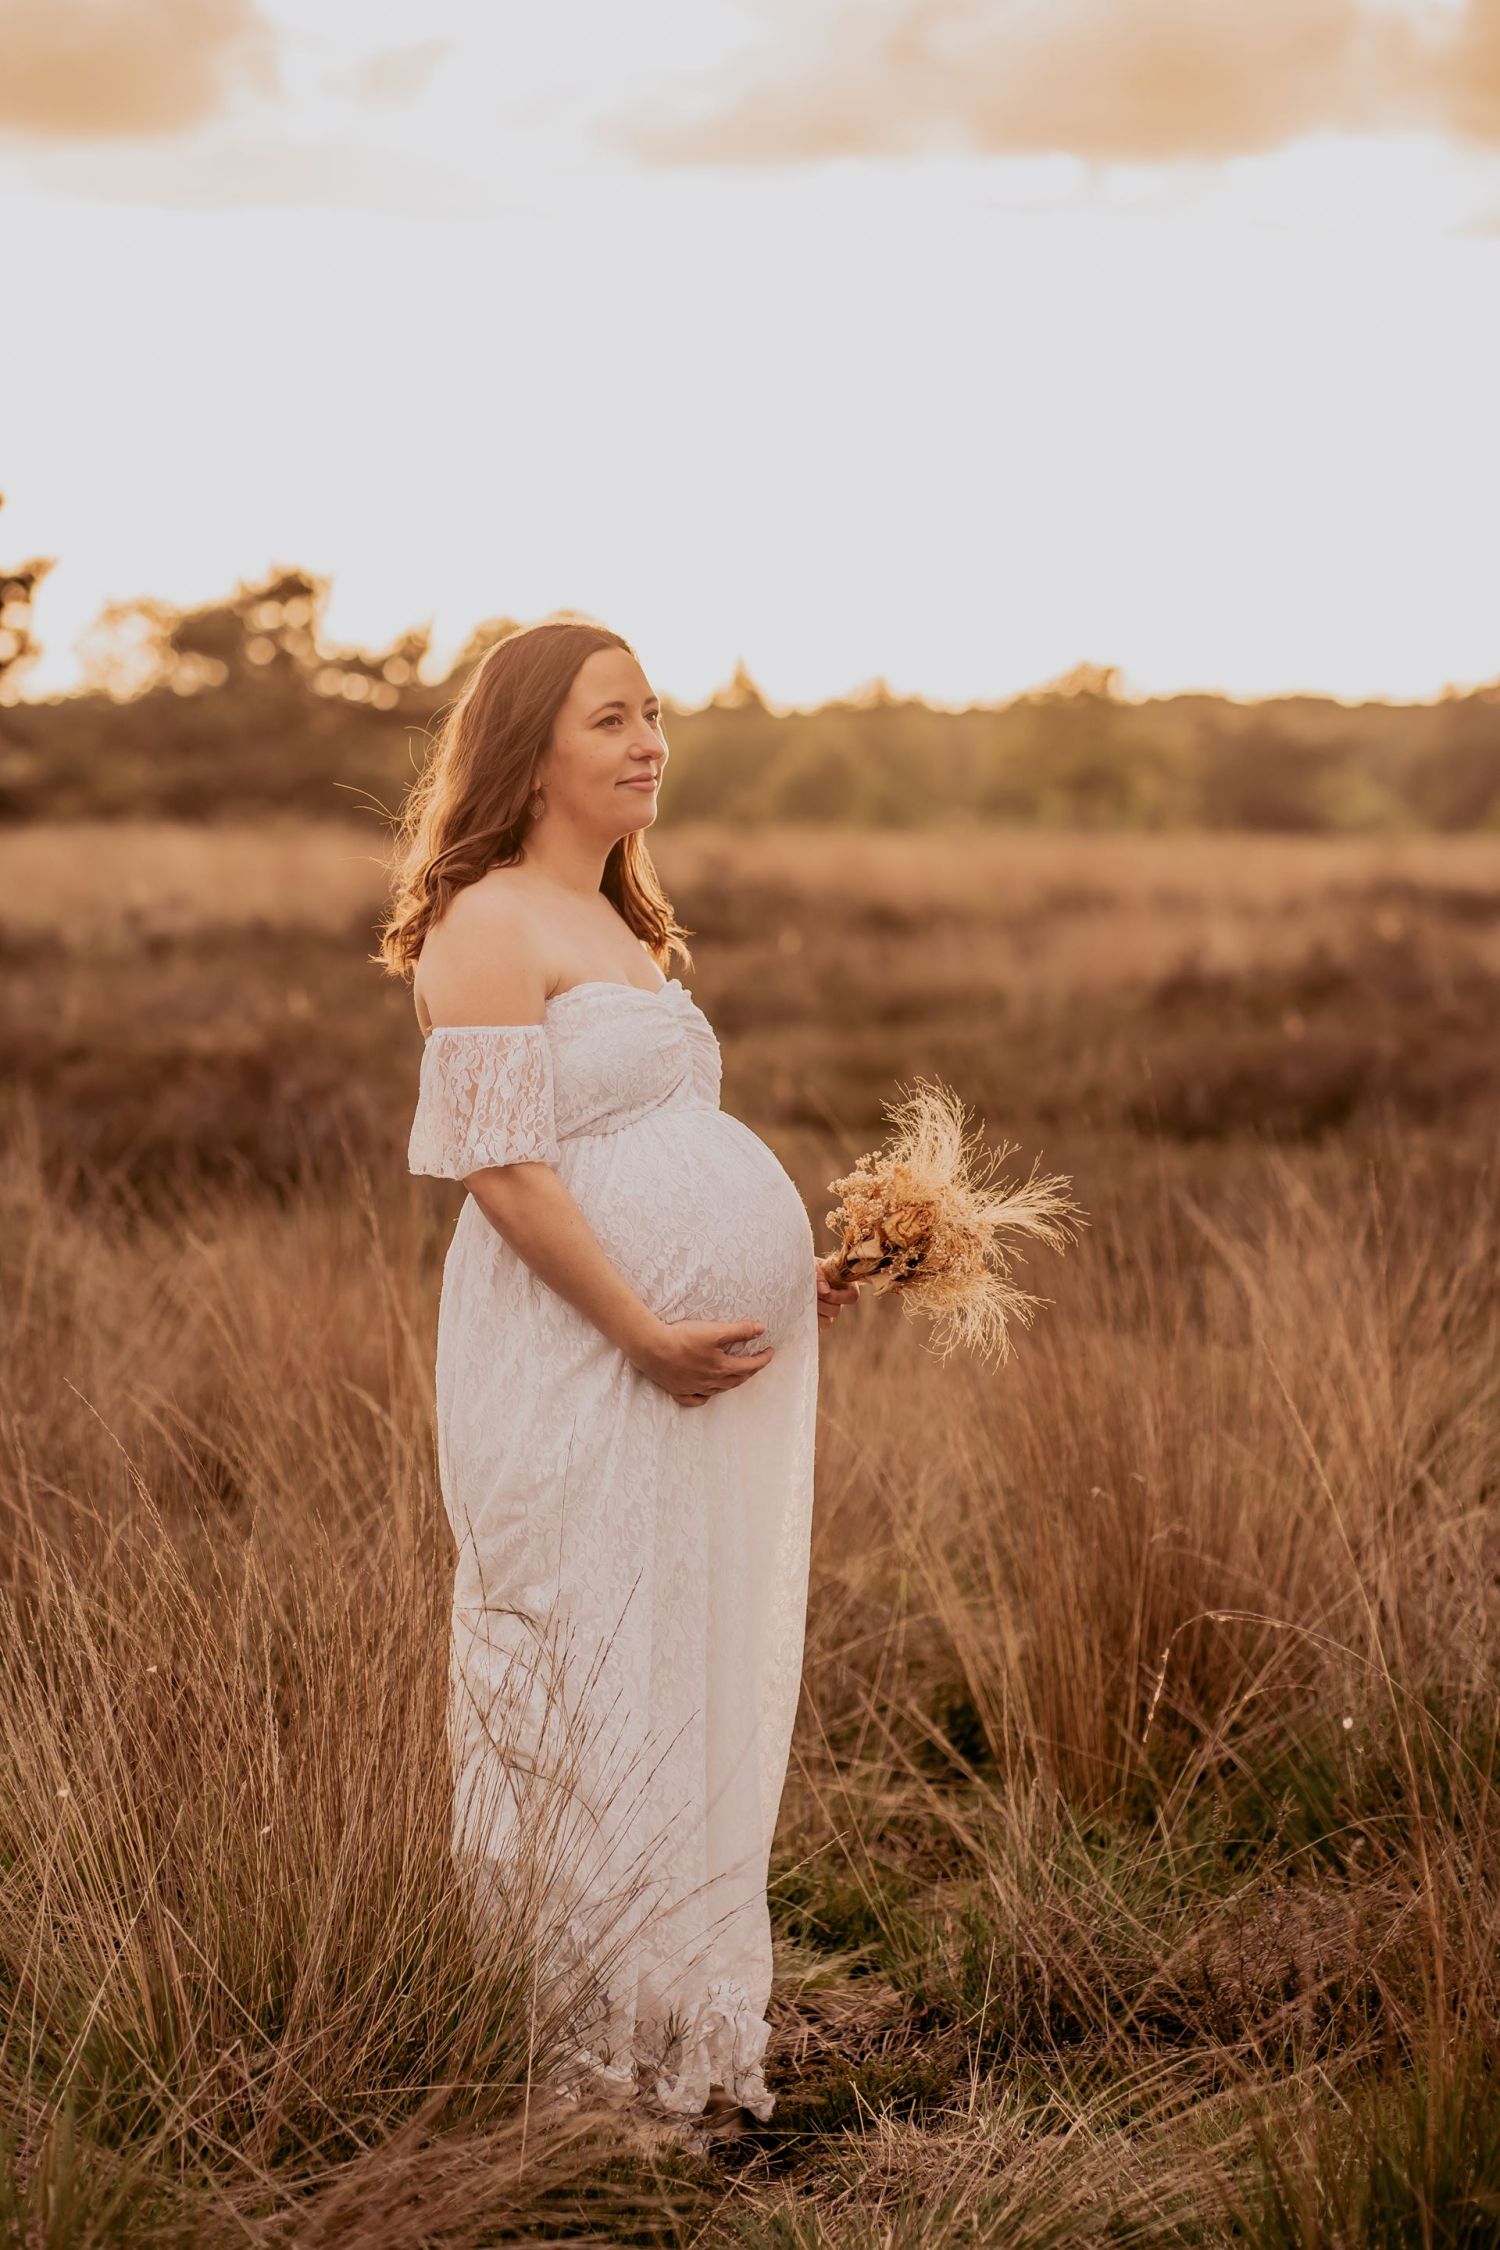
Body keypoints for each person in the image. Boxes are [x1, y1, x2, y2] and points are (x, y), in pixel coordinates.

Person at [377, 618, 858, 2130]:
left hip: (676, 1367)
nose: (650, 740)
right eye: (611, 718)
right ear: (529, 748)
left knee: (680, 1658)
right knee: (585, 1659)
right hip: (577, 1360)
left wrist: (794, 1274)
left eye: (654, 714)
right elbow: (505, 1172)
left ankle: (683, 2040)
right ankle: (582, 2068)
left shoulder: (630, 927)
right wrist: (646, 1326)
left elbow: (653, 1150)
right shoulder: (485, 921)